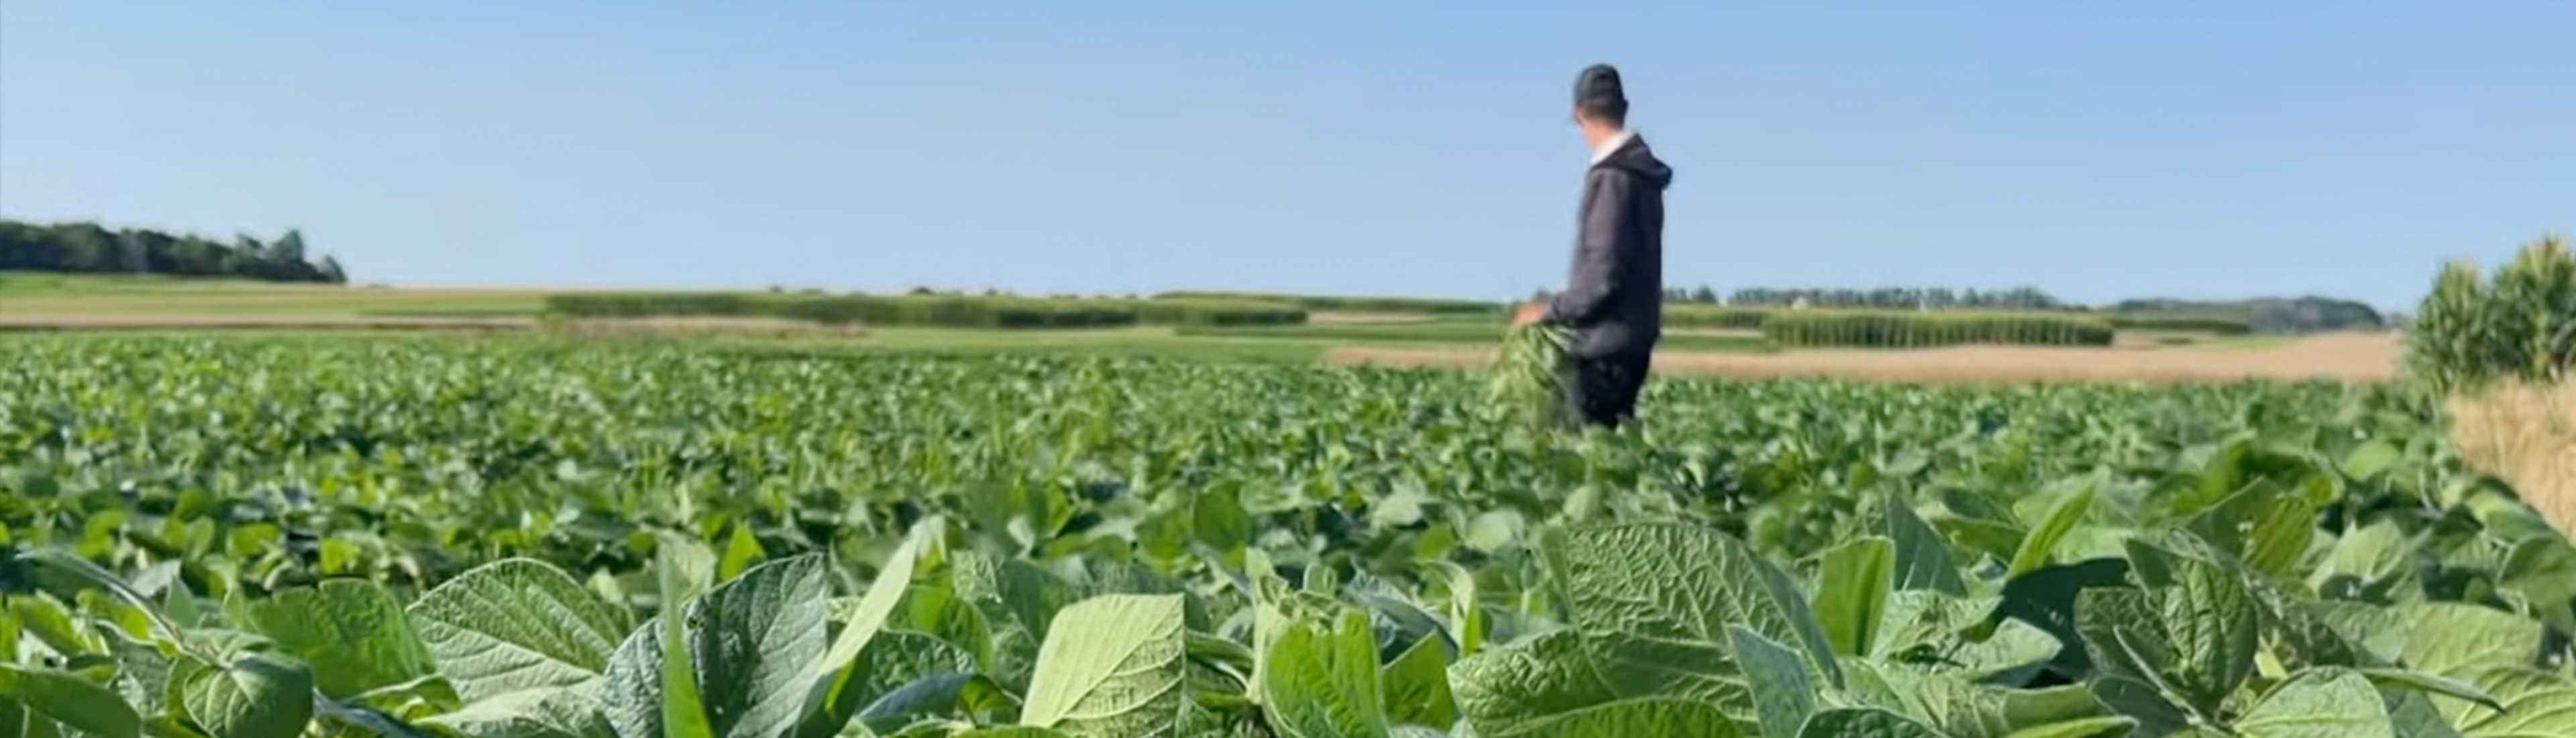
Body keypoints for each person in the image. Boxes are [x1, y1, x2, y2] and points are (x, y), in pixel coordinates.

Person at [1513, 63, 1674, 427]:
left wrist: (1548, 311)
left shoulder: (1613, 177)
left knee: (1590, 456)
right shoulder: (1640, 175)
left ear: (1579, 113)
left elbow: (1602, 273)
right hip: (1632, 341)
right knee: (1613, 454)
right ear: (1625, 108)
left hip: (1604, 346)